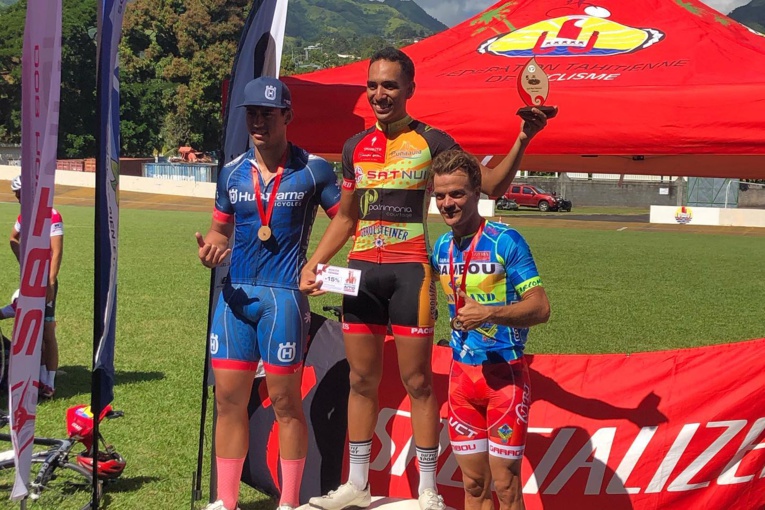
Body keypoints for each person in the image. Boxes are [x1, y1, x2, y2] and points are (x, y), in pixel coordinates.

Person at [300, 47, 551, 510]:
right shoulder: (355, 146)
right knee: (361, 379)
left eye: (390, 85)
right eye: (372, 85)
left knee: (417, 381)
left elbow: (491, 184)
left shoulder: (433, 140)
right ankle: (357, 483)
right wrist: (315, 261)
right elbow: (347, 217)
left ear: (410, 89)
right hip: (360, 271)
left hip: (409, 271)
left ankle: (428, 489)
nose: (379, 94)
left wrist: (523, 138)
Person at [195, 76, 341, 510]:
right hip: (235, 298)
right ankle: (226, 501)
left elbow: (344, 217)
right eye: (252, 114)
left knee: (284, 403)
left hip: (283, 299)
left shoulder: (313, 169)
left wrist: (315, 263)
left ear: (287, 116)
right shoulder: (231, 172)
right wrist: (210, 250)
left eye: (268, 114)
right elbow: (220, 231)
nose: (258, 122)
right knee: (228, 402)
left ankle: (289, 502)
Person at [429, 150, 550, 510]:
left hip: (504, 377)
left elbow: (541, 308)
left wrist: (490, 314)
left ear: (477, 192)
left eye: (457, 194)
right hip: (461, 379)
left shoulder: (505, 240)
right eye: (440, 195)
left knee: (506, 485)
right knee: (473, 484)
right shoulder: (442, 246)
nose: (448, 204)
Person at [10, 175, 63, 399]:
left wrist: (50, 281)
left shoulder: (52, 215)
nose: (18, 198)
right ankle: (39, 378)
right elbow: (13, 238)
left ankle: (50, 382)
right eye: (16, 195)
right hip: (30, 281)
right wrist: (23, 261)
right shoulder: (23, 216)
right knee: (34, 329)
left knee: (47, 332)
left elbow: (57, 251)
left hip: (45, 282)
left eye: (20, 194)